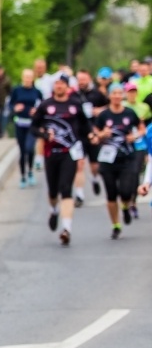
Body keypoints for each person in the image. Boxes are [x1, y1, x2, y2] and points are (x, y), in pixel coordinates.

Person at [30, 74, 91, 246]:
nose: (59, 86)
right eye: (56, 83)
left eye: (62, 84)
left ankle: (66, 229)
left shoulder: (75, 105)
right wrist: (43, 135)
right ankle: (53, 210)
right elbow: (34, 127)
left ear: (67, 87)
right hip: (51, 153)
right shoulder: (46, 105)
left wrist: (92, 135)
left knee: (66, 189)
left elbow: (85, 126)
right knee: (53, 191)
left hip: (69, 153)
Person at [93, 83, 145, 239]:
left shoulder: (129, 113)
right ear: (109, 96)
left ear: (122, 95)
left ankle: (125, 206)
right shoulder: (103, 115)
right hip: (107, 160)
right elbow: (95, 134)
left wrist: (134, 136)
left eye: (119, 93)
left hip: (126, 158)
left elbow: (141, 128)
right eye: (113, 93)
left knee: (126, 191)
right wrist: (103, 134)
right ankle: (115, 224)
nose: (116, 96)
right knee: (111, 194)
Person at [71, 68, 108, 204]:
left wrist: (99, 111)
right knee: (79, 164)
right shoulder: (73, 96)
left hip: (94, 133)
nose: (81, 82)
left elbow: (109, 107)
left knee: (94, 165)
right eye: (79, 79)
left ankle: (95, 179)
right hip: (78, 135)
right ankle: (79, 195)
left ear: (89, 79)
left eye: (84, 79)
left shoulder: (97, 94)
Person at [9, 69, 44, 188]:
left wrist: (37, 111)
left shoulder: (37, 92)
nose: (28, 79)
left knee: (29, 149)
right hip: (19, 123)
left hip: (32, 125)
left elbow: (43, 106)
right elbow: (10, 104)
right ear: (22, 78)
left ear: (33, 78)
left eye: (30, 77)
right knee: (22, 151)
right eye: (26, 77)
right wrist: (15, 108)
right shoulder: (17, 90)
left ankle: (30, 171)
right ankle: (23, 176)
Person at [123, 81, 151, 218]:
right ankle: (125, 200)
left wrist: (136, 136)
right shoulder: (123, 107)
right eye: (129, 92)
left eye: (134, 91)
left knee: (135, 172)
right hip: (123, 147)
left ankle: (133, 202)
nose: (132, 94)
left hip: (140, 144)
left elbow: (142, 127)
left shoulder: (144, 107)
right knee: (125, 176)